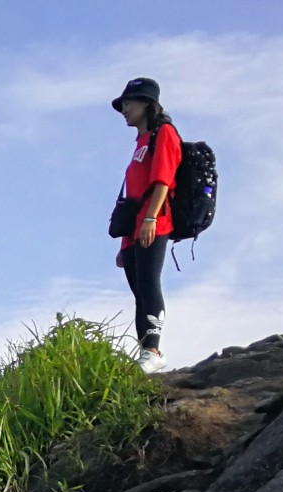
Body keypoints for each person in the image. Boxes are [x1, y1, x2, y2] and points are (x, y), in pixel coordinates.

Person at [112, 76, 180, 371]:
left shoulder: (163, 134)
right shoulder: (140, 141)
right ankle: (146, 351)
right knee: (138, 289)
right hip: (133, 229)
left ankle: (153, 351)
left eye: (129, 102)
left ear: (147, 104)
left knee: (149, 283)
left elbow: (163, 179)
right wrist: (124, 241)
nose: (124, 109)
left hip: (155, 220)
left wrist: (151, 218)